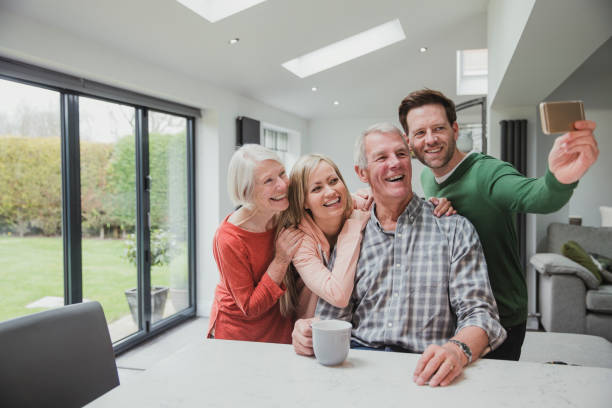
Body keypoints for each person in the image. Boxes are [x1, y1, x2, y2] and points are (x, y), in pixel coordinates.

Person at [292, 123, 506, 387]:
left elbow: (480, 314)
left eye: (401, 154)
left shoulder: (453, 228)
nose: (395, 163)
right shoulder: (352, 233)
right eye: (381, 157)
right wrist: (307, 331)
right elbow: (332, 318)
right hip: (358, 369)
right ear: (362, 172)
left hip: (426, 371)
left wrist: (456, 351)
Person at [398, 89, 599, 361]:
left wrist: (558, 179)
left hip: (501, 314)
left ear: (455, 130)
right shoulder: (426, 177)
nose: (430, 139)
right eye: (420, 133)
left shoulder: (488, 174)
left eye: (439, 128)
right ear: (409, 141)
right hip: (454, 313)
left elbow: (537, 196)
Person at [207, 144, 303, 344]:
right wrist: (281, 260)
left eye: (282, 174)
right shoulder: (229, 238)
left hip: (279, 323)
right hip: (239, 334)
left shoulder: (283, 208)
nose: (283, 185)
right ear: (247, 191)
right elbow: (249, 307)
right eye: (268, 180)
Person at [277, 154, 371, 320]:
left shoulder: (360, 206)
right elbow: (338, 295)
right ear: (303, 202)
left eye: (333, 181)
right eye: (316, 189)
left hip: (358, 325)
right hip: (314, 331)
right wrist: (353, 226)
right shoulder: (300, 241)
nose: (330, 191)